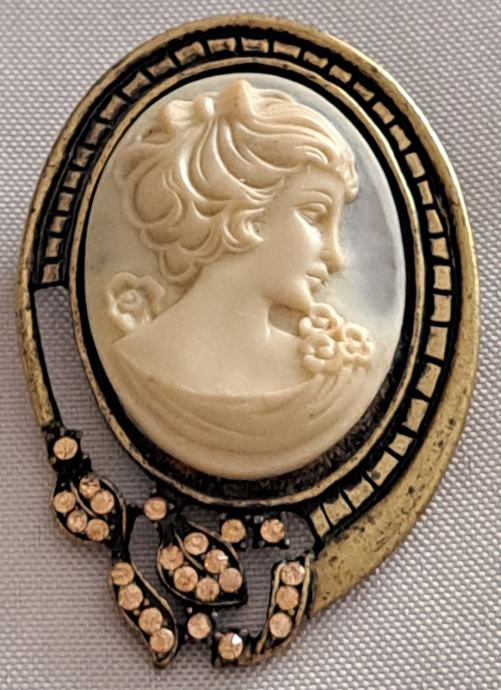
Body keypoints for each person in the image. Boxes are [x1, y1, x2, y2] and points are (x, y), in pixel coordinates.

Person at [105, 79, 373, 479]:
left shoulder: (332, 376)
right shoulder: (135, 363)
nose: (335, 254)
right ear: (237, 211)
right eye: (315, 214)